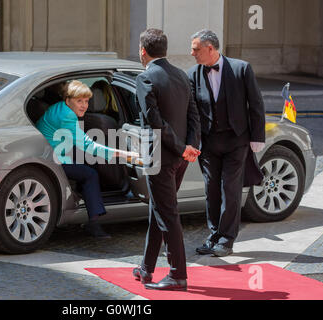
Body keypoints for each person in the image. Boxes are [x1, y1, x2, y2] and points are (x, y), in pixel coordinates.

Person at [133, 29, 201, 291]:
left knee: (167, 214)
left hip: (160, 157)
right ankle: (146, 268)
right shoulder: (181, 75)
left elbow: (155, 123)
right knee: (159, 211)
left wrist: (182, 146)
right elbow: (194, 115)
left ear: (143, 51)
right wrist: (190, 146)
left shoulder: (145, 77)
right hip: (180, 158)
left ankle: (177, 274)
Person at [188, 29, 265, 257]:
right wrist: (192, 142)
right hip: (209, 143)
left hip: (236, 141)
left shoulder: (241, 69)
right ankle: (214, 236)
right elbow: (191, 112)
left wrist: (257, 137)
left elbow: (256, 103)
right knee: (211, 190)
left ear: (210, 48)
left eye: (195, 49)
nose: (192, 53)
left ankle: (227, 240)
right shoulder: (193, 74)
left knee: (229, 190)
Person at [36, 80, 139, 238]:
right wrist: (125, 155)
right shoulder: (68, 116)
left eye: (87, 101)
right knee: (90, 174)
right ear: (68, 99)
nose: (84, 105)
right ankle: (93, 224)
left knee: (85, 167)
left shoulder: (59, 108)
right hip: (54, 161)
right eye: (79, 101)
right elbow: (89, 146)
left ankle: (86, 208)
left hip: (47, 155)